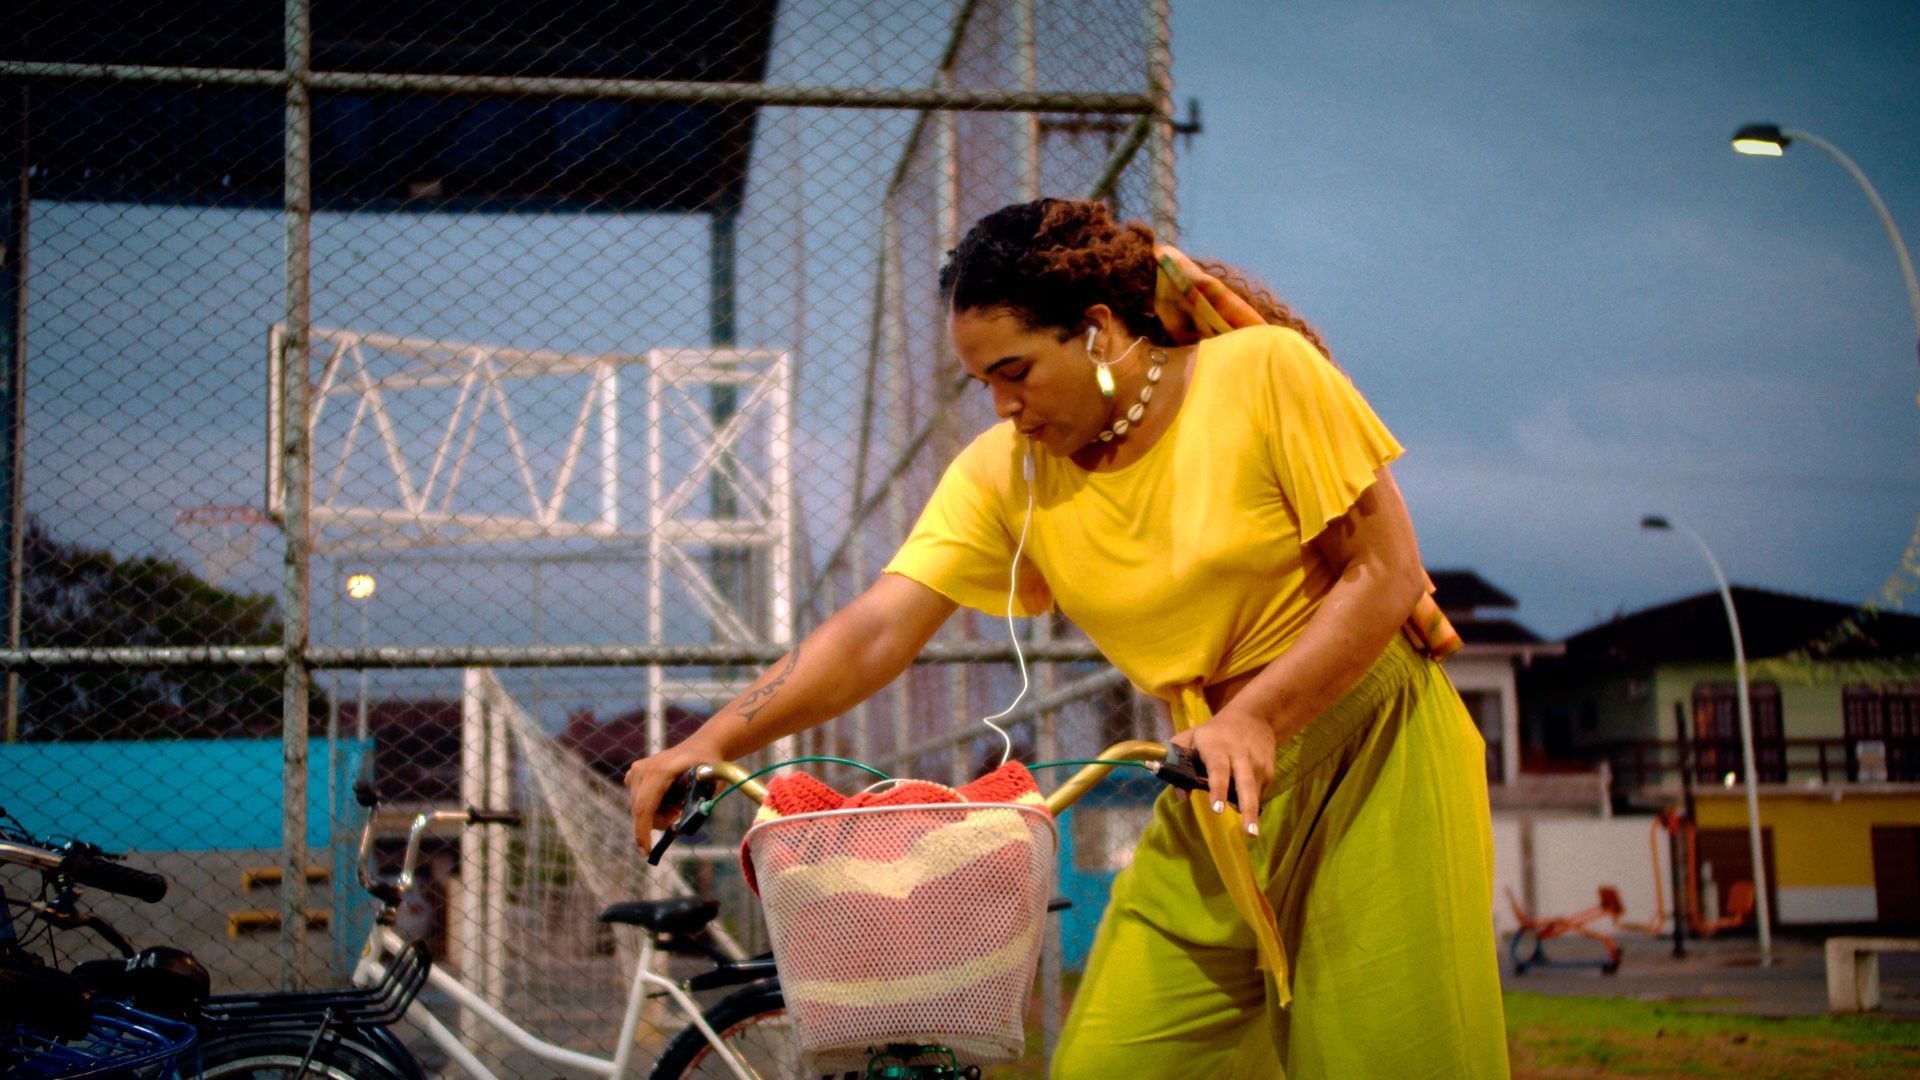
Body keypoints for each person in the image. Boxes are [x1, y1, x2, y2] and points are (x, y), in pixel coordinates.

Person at [626, 198, 1509, 1078]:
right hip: (1208, 788)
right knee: (1105, 1061)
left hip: (1368, 750)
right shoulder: (1006, 473)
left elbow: (1384, 573)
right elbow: (876, 630)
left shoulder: (1260, 374)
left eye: (1016, 370)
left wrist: (1260, 719)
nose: (1004, 405)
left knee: (1389, 1053)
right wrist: (711, 742)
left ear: (1096, 329)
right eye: (983, 384)